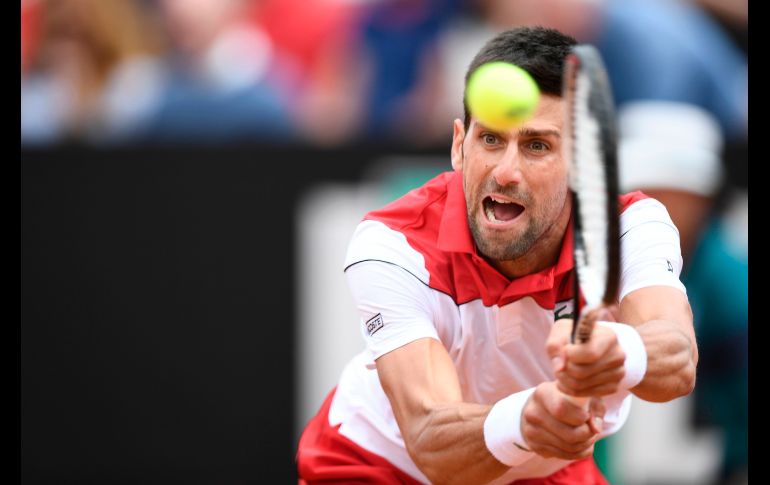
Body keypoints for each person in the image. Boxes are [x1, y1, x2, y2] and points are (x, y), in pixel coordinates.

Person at [296, 26, 697, 484]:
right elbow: (430, 440)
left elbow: (677, 359)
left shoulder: (630, 227)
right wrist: (525, 421)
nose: (505, 172)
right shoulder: (393, 245)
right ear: (458, 145)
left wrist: (617, 350)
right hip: (382, 465)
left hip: (543, 465)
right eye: (490, 140)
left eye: (537, 146)